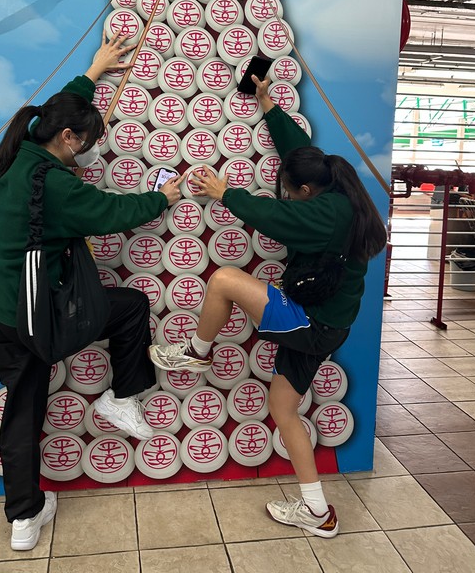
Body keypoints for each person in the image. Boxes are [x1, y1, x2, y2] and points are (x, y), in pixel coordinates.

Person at [150, 74, 387, 539]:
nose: (286, 191)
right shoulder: (334, 187)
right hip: (328, 324)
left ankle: (196, 352)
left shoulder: (324, 216)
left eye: (289, 188)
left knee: (224, 280)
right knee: (283, 407)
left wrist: (224, 193)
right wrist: (268, 105)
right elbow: (301, 154)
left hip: (312, 323)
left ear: (305, 192)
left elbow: (273, 216)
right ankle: (318, 512)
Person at [0, 31, 184, 551]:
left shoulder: (15, 152)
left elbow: (57, 111)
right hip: (34, 315)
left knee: (22, 409)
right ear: (68, 137)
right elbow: (111, 212)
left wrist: (93, 72)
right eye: (87, 141)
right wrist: (161, 197)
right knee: (131, 306)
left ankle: (24, 518)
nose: (90, 150)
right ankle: (120, 397)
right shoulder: (56, 186)